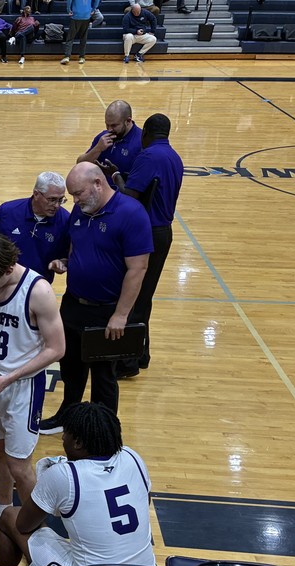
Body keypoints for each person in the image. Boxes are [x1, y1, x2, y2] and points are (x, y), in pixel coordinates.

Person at [0, 402, 157, 566]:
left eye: (66, 434)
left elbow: (23, 525)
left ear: (78, 442)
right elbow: (143, 503)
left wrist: (51, 491)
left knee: (9, 517)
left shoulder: (64, 475)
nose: (62, 439)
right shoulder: (133, 457)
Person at [38, 163, 151, 434]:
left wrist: (121, 315)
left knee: (104, 377)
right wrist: (67, 261)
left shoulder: (131, 214)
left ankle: (102, 430)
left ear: (98, 183)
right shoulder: (82, 209)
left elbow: (138, 269)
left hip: (107, 310)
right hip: (74, 304)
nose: (74, 201)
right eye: (72, 196)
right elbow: (77, 244)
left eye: (78, 194)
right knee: (71, 368)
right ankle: (68, 414)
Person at [0, 233, 65, 534]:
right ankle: (2, 509)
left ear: (8, 269)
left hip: (21, 386)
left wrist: (11, 377)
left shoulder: (39, 291)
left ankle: (38, 530)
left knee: (19, 464)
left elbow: (56, 348)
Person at [113, 113, 184, 378]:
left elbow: (130, 197)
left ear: (146, 134)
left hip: (147, 233)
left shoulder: (148, 156)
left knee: (132, 297)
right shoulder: (174, 157)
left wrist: (117, 176)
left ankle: (127, 363)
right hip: (164, 231)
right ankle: (141, 354)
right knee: (144, 297)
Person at [0, 171, 72, 283]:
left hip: (38, 288)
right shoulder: (6, 212)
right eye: (52, 200)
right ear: (36, 194)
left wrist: (62, 263)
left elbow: (68, 255)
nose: (57, 205)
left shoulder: (65, 220)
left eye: (61, 200)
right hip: (2, 284)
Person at [76, 100, 142, 187]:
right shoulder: (103, 137)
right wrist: (98, 149)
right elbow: (80, 165)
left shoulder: (141, 142)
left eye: (114, 125)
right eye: (107, 125)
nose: (109, 129)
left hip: (123, 196)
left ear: (128, 121)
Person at [60, 0, 100, 65]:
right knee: (83, 37)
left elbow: (69, 1)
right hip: (86, 15)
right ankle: (82, 57)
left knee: (70, 37)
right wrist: (93, 9)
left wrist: (68, 9)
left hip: (76, 14)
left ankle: (67, 56)